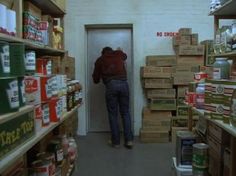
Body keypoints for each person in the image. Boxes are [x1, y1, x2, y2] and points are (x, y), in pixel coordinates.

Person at [92, 46, 134, 149]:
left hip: (111, 86)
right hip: (124, 84)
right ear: (112, 50)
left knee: (113, 114)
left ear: (103, 53)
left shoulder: (100, 60)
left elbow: (96, 79)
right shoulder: (118, 54)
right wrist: (120, 50)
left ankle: (116, 142)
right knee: (125, 112)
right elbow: (125, 56)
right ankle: (129, 140)